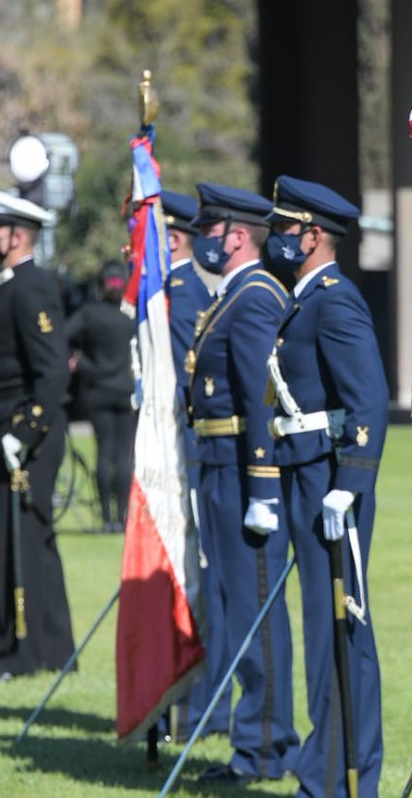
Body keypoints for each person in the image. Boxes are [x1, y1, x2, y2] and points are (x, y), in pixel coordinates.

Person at [262, 175, 387, 796]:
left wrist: (350, 482)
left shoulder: (334, 299)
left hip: (328, 482)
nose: (275, 239)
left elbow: (365, 397)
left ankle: (349, 772)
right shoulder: (304, 298)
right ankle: (326, 762)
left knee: (342, 624)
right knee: (320, 624)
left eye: (285, 229)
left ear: (313, 236)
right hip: (303, 469)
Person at [187, 183, 298, 783]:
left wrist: (261, 487)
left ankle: (264, 748)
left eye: (209, 231)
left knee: (256, 612)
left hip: (239, 469)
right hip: (218, 466)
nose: (202, 240)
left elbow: (261, 396)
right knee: (237, 605)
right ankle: (258, 741)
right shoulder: (232, 295)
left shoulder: (253, 296)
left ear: (235, 236)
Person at [0, 187, 75, 681]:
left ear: (16, 236)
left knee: (26, 539)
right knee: (8, 538)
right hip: (2, 426)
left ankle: (29, 650)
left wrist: (23, 432)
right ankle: (37, 645)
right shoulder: (1, 283)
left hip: (29, 431)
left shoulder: (31, 287)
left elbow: (52, 372)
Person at [160, 188, 232, 739]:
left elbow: (192, 383)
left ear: (174, 238)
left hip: (188, 451)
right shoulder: (168, 290)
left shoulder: (181, 293)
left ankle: (208, 708)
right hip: (173, 449)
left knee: (202, 576)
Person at [65, 260, 135, 534]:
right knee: (124, 456)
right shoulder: (130, 315)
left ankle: (107, 518)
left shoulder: (89, 313)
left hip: (97, 389)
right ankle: (124, 516)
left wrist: (80, 363)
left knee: (104, 453)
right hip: (125, 390)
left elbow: (63, 336)